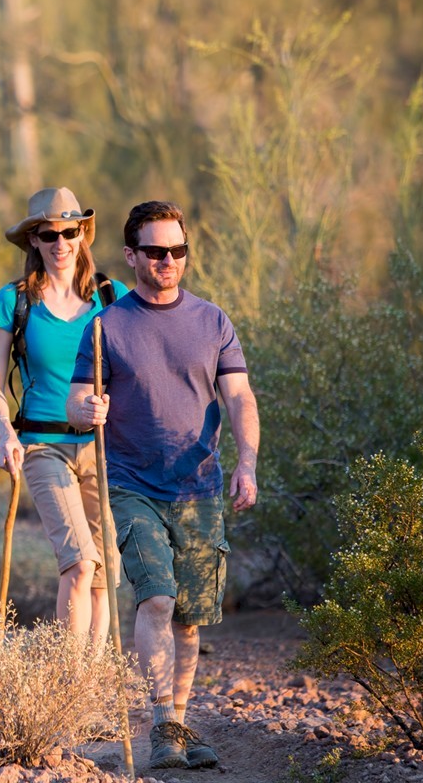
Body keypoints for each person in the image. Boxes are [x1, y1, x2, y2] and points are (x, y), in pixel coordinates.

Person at [68, 200, 260, 770]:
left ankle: (177, 720)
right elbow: (77, 402)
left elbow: (240, 396)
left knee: (190, 617)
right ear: (131, 256)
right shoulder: (106, 327)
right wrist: (89, 409)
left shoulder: (213, 321)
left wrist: (246, 461)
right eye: (155, 251)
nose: (168, 260)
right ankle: (159, 724)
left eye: (177, 250)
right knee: (156, 596)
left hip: (199, 486)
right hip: (131, 485)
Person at [0, 187, 128, 648]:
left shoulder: (113, 297)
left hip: (104, 449)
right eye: (48, 234)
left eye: (69, 231)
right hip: (43, 447)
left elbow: (136, 371)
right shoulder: (15, 301)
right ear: (34, 241)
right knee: (80, 562)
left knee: (105, 571)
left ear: (82, 234)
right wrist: (5, 433)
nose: (60, 243)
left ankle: (92, 684)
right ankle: (69, 680)